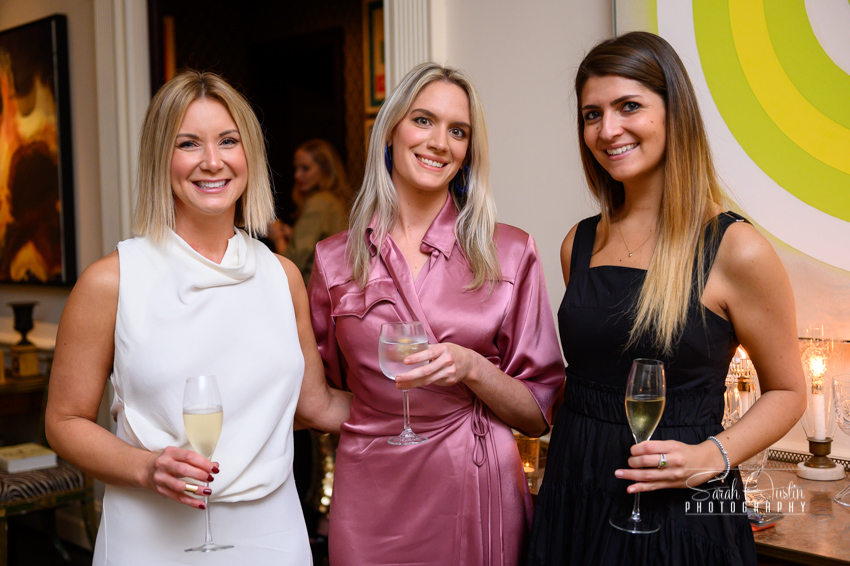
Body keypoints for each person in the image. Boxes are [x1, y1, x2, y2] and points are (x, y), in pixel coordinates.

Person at [44, 70, 350, 565]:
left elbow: (315, 407)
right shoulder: (111, 281)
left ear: (248, 153)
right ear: (160, 160)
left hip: (272, 534)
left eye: (228, 141)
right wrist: (147, 469)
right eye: (189, 143)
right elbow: (63, 421)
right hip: (150, 536)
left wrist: (436, 404)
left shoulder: (283, 276)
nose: (212, 161)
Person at [526, 32, 806, 565]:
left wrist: (712, 456)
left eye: (629, 106)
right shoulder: (578, 243)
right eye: (592, 114)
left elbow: (789, 390)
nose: (608, 130)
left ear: (674, 113)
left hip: (681, 508)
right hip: (574, 492)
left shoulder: (735, 249)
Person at [308, 62, 565, 565]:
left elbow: (539, 412)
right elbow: (326, 393)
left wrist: (471, 368)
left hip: (471, 478)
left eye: (458, 131)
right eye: (423, 120)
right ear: (390, 130)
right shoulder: (333, 259)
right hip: (371, 487)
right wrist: (381, 419)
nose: (440, 142)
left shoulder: (509, 252)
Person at [267, 139, 351, 287]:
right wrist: (294, 235)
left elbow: (292, 265)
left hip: (316, 296)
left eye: (305, 168)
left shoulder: (319, 203)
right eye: (296, 168)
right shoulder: (334, 201)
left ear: (325, 169)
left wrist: (277, 236)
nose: (297, 175)